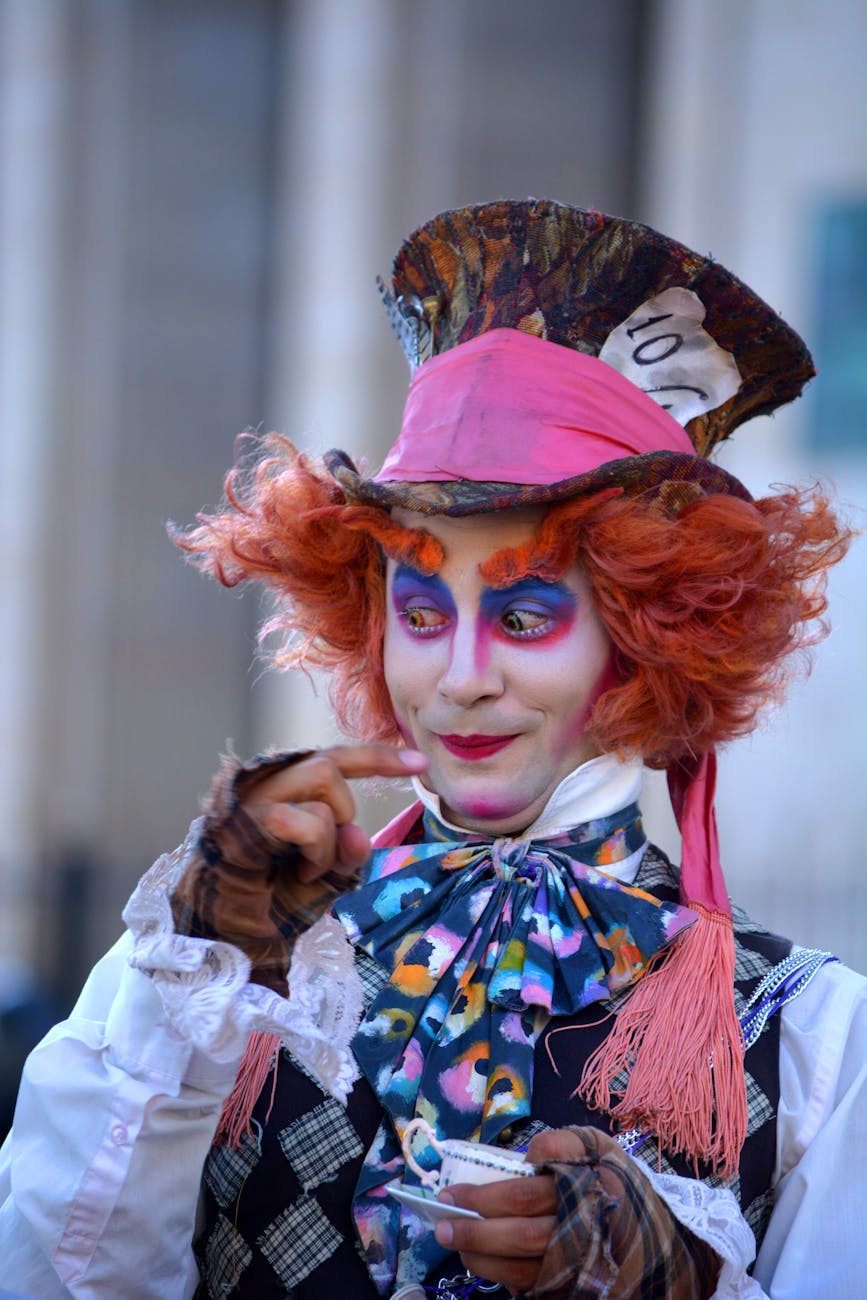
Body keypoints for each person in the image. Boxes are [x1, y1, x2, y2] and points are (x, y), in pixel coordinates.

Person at [0, 199, 863, 1300]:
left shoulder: (812, 1039)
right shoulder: (222, 975)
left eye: (523, 615)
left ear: (648, 638)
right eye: (418, 611)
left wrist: (679, 1283)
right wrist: (188, 988)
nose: (458, 678)